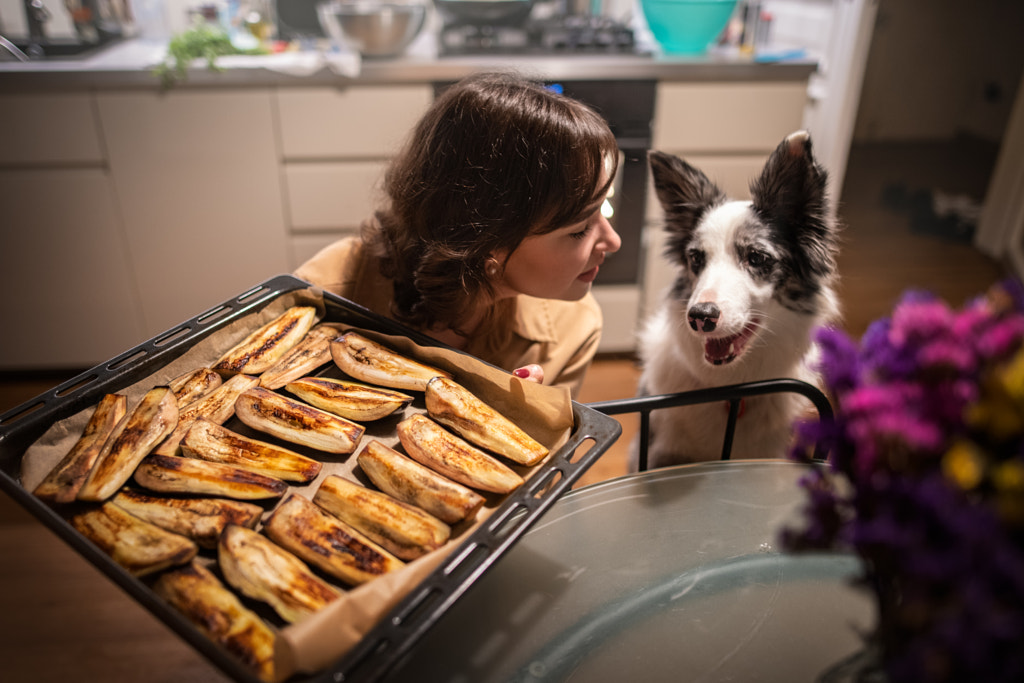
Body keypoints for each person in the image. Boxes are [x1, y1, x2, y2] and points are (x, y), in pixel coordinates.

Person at [294, 71, 622, 398]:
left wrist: (516, 421)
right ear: (488, 244)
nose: (613, 242)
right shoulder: (321, 294)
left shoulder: (574, 326)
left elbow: (557, 445)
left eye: (603, 208)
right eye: (579, 230)